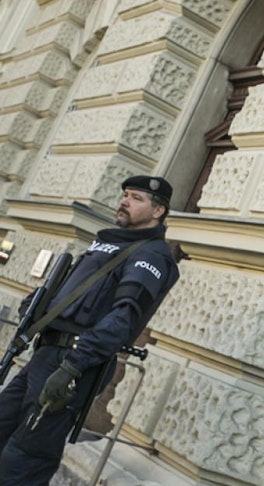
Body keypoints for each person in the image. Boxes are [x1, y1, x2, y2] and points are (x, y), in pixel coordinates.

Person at [0, 175, 180, 485]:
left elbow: (121, 320)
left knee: (26, 456)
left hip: (72, 363)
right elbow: (61, 291)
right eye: (125, 194)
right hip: (45, 355)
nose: (124, 201)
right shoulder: (107, 242)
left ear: (158, 212)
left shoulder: (150, 255)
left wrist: (72, 367)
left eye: (137, 198)